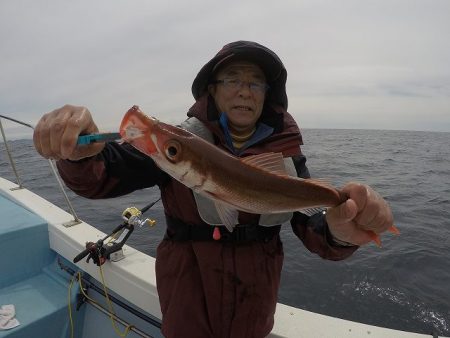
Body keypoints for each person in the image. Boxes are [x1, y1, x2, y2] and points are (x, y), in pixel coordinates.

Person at [33, 41, 394, 338]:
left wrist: (341, 233)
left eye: (255, 82)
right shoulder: (183, 143)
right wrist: (81, 155)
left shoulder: (287, 161)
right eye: (231, 79)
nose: (243, 90)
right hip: (188, 300)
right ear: (212, 90)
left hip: (255, 304)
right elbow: (104, 174)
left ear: (268, 95)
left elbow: (315, 231)